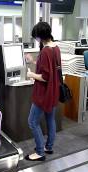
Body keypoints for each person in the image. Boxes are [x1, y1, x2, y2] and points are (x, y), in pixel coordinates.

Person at [24, 22, 61, 161]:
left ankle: (40, 152)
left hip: (43, 93)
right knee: (50, 118)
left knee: (32, 121)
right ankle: (48, 146)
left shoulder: (45, 51)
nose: (36, 39)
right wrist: (34, 61)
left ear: (40, 36)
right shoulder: (55, 47)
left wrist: (31, 75)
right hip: (53, 91)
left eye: (36, 37)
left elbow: (45, 76)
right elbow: (50, 68)